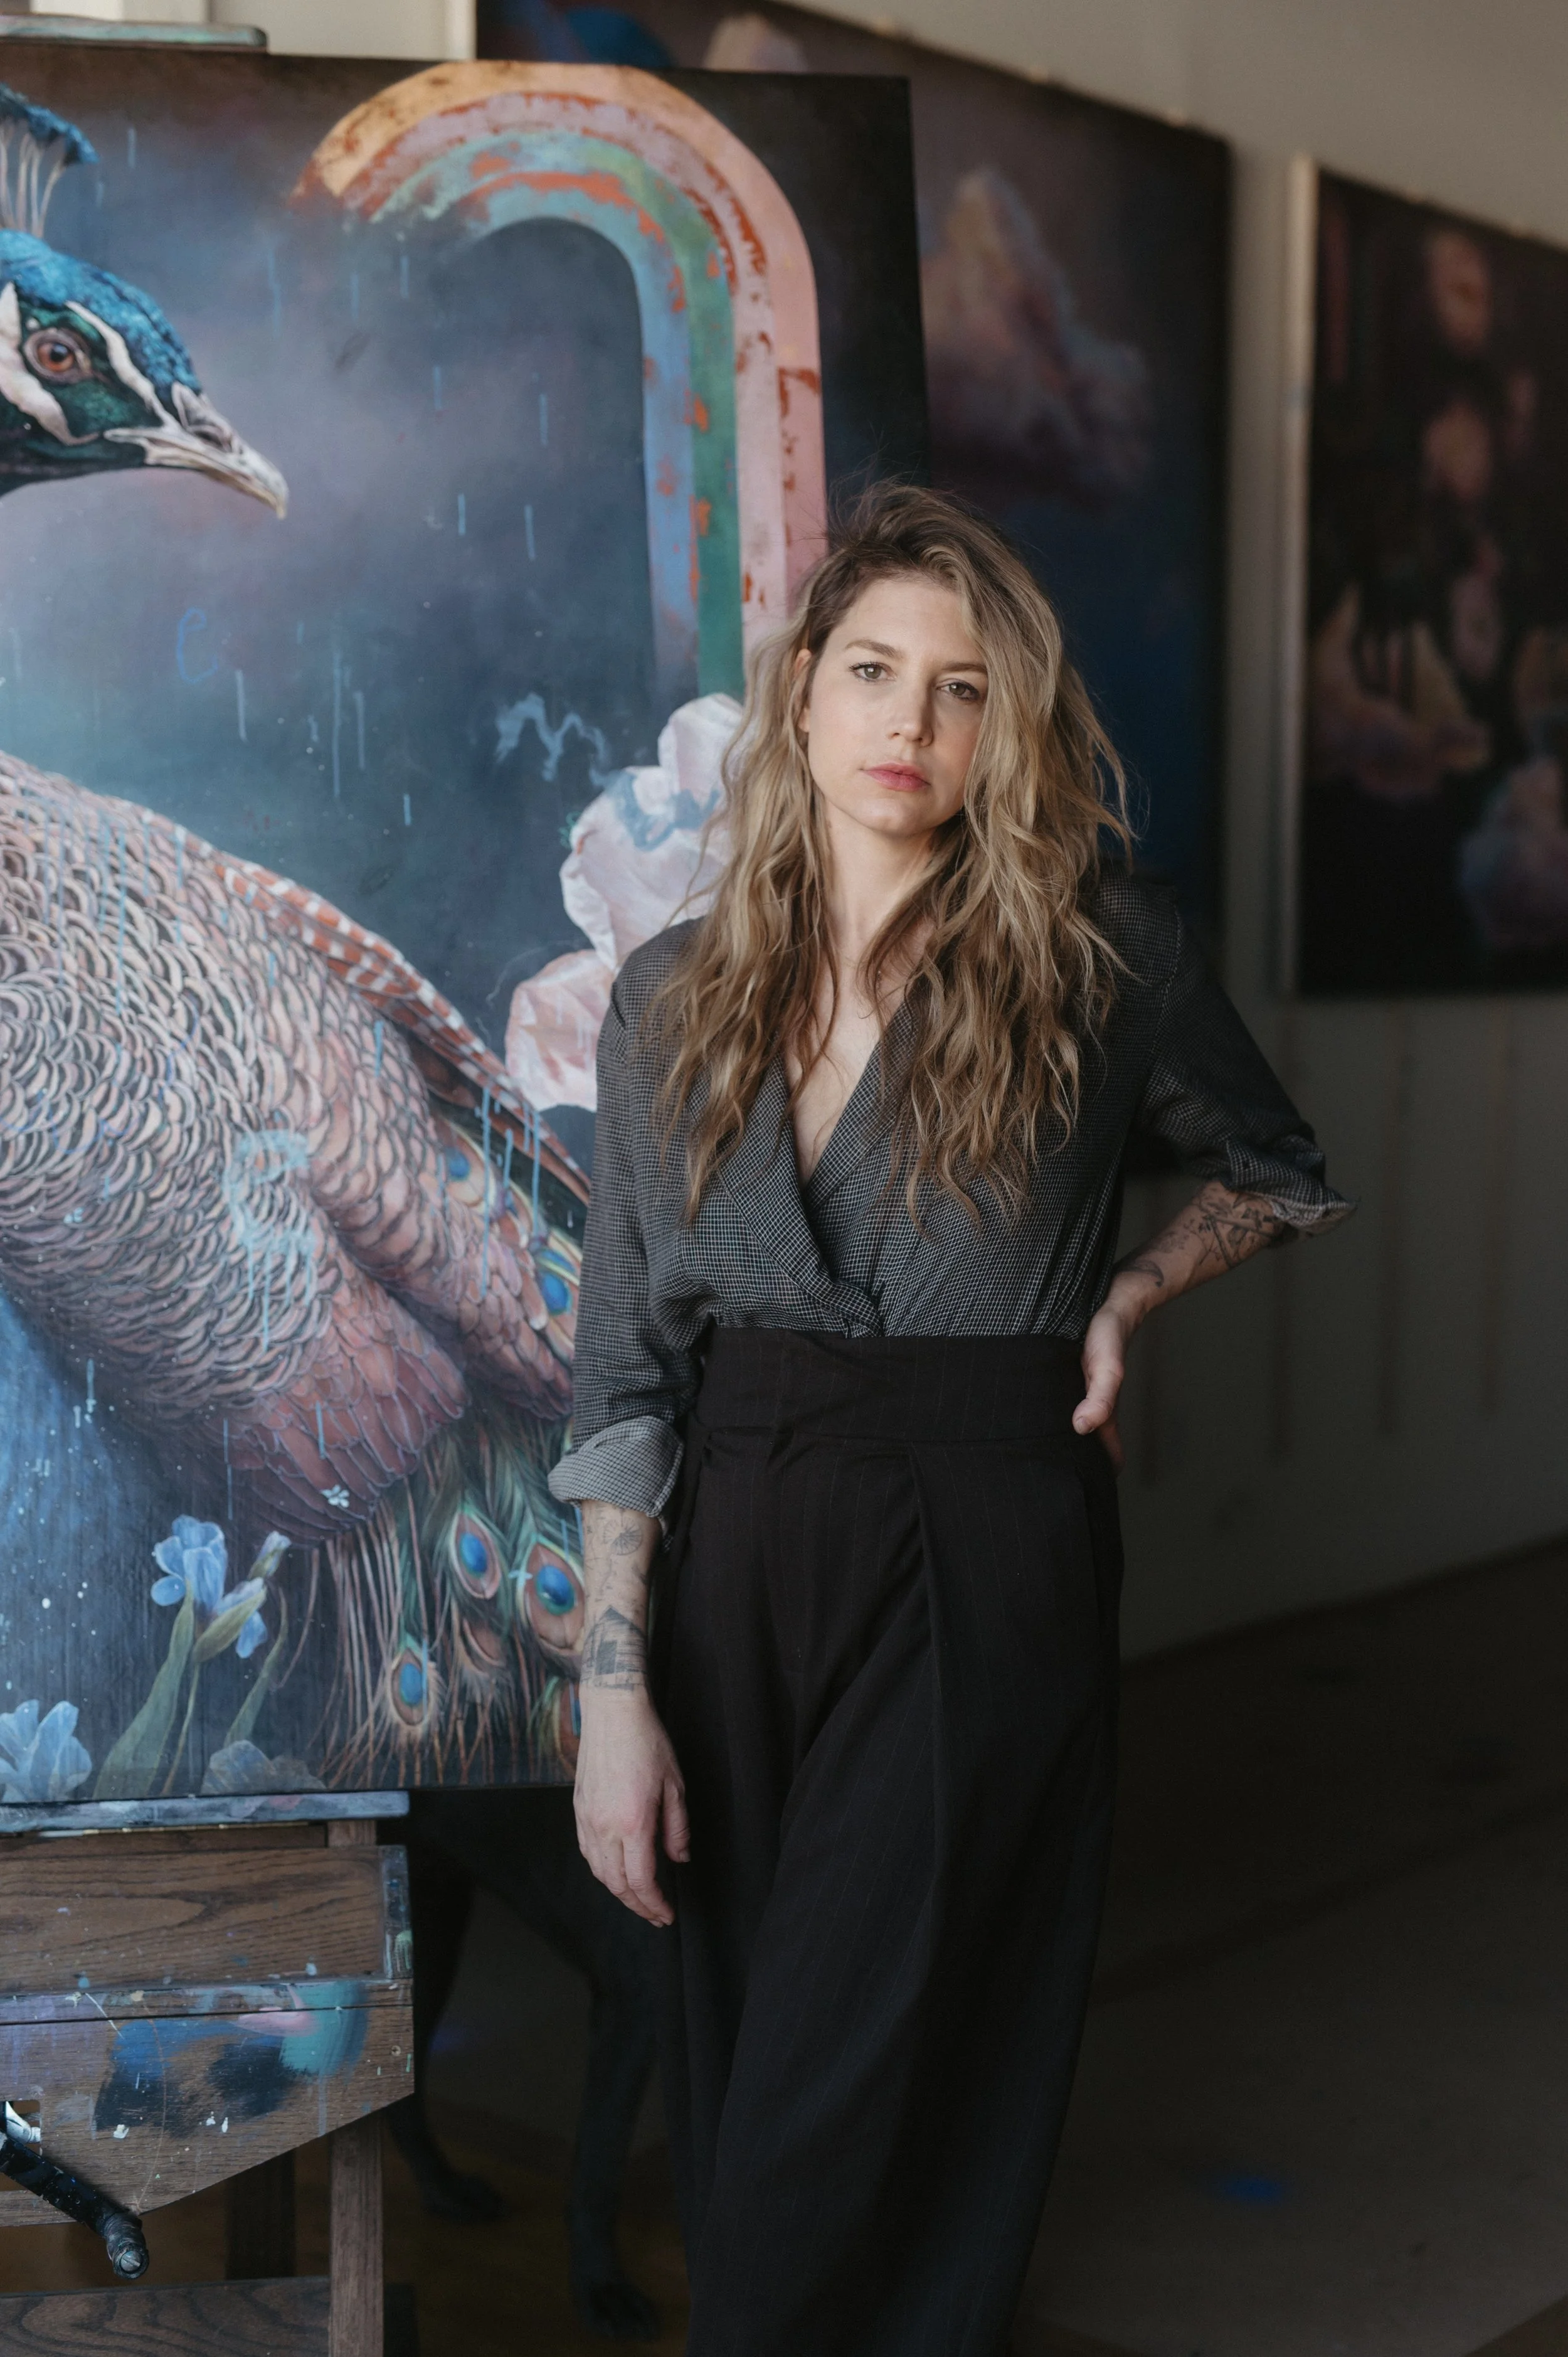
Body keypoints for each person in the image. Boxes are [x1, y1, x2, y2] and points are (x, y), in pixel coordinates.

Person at [549, 487, 1350, 2356]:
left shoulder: (1099, 955)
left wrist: (1127, 1293)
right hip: (730, 1545)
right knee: (749, 2054)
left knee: (854, 2088)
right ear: (804, 701)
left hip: (982, 1526)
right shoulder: (668, 995)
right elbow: (622, 1369)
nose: (911, 722)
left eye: (965, 689)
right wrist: (609, 1693)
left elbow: (1278, 1169)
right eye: (874, 672)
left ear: (1011, 730)